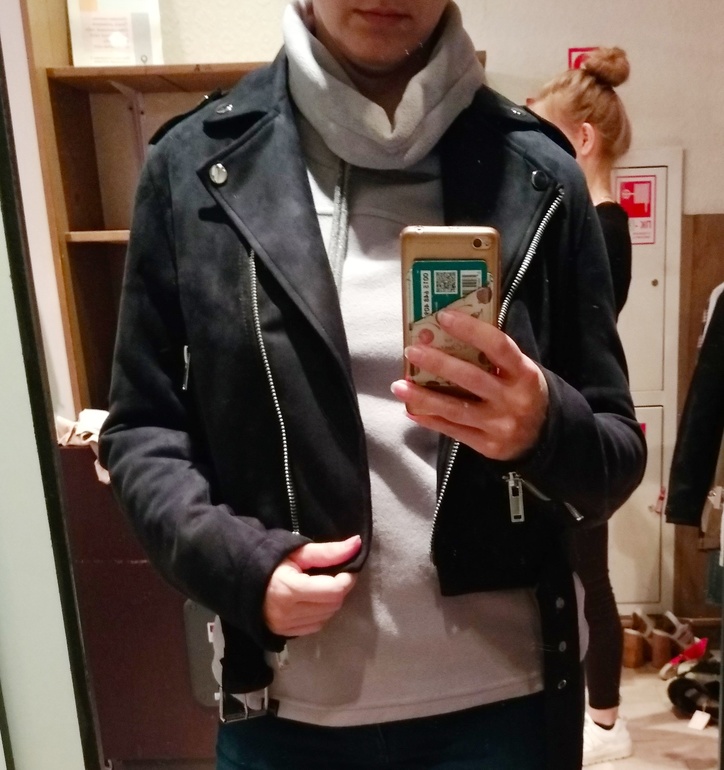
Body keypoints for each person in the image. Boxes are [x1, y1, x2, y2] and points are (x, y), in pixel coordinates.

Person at [98, 4, 646, 769]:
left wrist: (544, 426)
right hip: (287, 712)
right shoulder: (192, 165)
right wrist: (239, 565)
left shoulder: (540, 170)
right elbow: (142, 431)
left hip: (506, 711)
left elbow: (615, 454)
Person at [528, 47, 635, 766]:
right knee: (584, 570)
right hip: (573, 417)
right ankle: (601, 716)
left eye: (547, 134)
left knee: (588, 574)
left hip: (579, 423)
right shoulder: (598, 221)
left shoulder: (596, 225)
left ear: (582, 139)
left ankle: (604, 720)